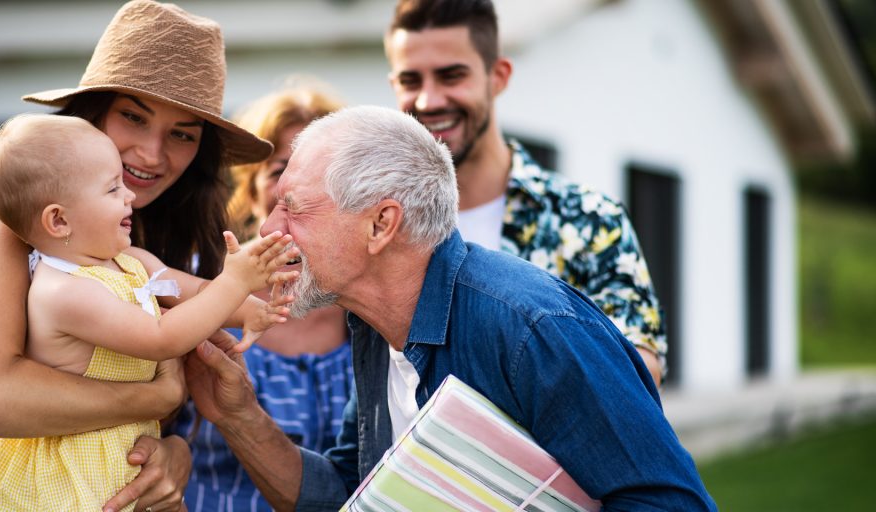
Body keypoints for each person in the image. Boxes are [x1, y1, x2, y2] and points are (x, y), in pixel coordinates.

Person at [183, 105, 717, 511]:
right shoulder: (371, 324)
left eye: (293, 208)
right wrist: (238, 415)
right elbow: (349, 492)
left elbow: (670, 502)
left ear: (380, 225)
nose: (271, 229)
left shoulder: (533, 330)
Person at [0, 2, 273, 511]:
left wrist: (174, 451)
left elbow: (172, 406)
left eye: (182, 134)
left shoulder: (140, 233)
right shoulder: (14, 223)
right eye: (133, 116)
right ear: (93, 112)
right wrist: (153, 399)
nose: (153, 154)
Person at [0, 113, 297, 511]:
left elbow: (193, 292)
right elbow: (159, 338)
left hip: (114, 453)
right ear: (59, 220)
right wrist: (234, 282)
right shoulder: (62, 291)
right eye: (112, 188)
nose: (129, 195)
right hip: (66, 474)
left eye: (181, 133)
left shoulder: (126, 258)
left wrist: (252, 307)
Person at [384, 0, 666, 385]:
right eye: (411, 80)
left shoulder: (588, 219)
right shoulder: (378, 225)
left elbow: (639, 371)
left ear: (498, 76)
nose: (428, 101)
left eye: (451, 76)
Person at [170, 83, 354, 511]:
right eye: (280, 171)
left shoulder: (370, 309)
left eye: (321, 173)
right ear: (251, 193)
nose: (300, 189)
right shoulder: (193, 287)